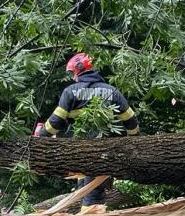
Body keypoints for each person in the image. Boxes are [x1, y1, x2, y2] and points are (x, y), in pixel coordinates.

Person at [40, 52, 140, 206]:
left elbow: (55, 122)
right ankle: (88, 215)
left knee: (90, 196)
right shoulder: (112, 91)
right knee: (90, 191)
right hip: (105, 151)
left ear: (79, 70)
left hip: (79, 151)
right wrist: (135, 143)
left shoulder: (70, 92)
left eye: (73, 73)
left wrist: (41, 137)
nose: (73, 77)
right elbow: (131, 121)